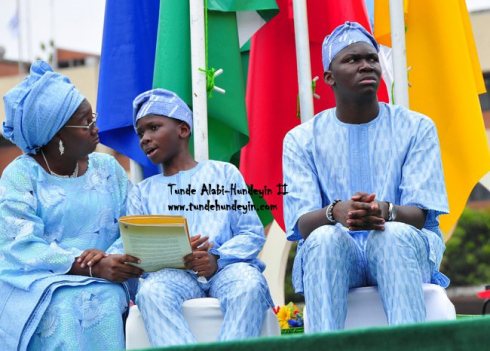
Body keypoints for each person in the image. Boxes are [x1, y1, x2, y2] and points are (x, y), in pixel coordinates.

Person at [282, 22, 449, 332]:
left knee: (391, 234)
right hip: (335, 254)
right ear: (329, 77)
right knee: (323, 238)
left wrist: (386, 212)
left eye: (372, 59)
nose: (366, 66)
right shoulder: (301, 140)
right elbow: (301, 223)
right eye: (353, 60)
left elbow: (420, 214)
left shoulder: (416, 128)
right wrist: (337, 212)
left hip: (401, 247)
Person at [0, 60, 143, 350]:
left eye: (93, 117)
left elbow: (133, 225)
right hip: (40, 284)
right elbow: (20, 246)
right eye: (85, 121)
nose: (95, 128)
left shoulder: (108, 169)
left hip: (107, 279)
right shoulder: (21, 175)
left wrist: (110, 260)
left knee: (103, 300)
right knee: (66, 308)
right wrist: (87, 266)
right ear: (57, 135)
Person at [128, 88, 273, 346]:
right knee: (151, 292)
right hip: (173, 276)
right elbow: (138, 250)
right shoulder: (142, 192)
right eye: (141, 133)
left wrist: (216, 258)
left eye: (153, 127)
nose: (145, 139)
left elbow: (251, 233)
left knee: (249, 285)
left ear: (183, 130)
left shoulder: (224, 174)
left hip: (226, 268)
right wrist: (174, 255)